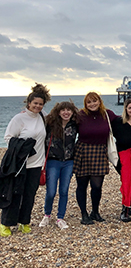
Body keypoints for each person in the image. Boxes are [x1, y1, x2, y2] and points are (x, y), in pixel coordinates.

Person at [0, 83, 51, 237]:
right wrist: (24, 146)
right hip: (20, 163)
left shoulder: (43, 117)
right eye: (35, 103)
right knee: (15, 193)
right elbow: (8, 138)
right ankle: (6, 223)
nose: (37, 106)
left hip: (37, 164)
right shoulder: (19, 118)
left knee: (30, 194)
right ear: (29, 103)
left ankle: (24, 222)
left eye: (40, 104)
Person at [73, 92, 117, 225]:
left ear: (99, 101)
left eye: (94, 101)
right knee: (82, 185)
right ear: (85, 104)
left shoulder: (107, 114)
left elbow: (124, 120)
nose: (92, 104)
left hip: (100, 151)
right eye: (89, 102)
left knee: (97, 186)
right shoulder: (80, 115)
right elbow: (62, 121)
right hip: (82, 151)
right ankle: (84, 214)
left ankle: (95, 212)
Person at [39, 101, 79, 230]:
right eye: (63, 110)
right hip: (53, 160)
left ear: (72, 112)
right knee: (51, 191)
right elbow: (36, 120)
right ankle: (47, 214)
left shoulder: (75, 125)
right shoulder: (50, 124)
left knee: (64, 190)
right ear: (58, 111)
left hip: (69, 161)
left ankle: (60, 217)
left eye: (69, 110)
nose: (66, 112)